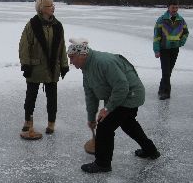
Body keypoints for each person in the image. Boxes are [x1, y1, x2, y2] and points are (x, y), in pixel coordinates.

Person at [67, 39, 160, 173]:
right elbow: (90, 95)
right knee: (129, 124)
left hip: (130, 95)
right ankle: (150, 150)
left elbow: (122, 86)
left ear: (82, 55)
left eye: (72, 58)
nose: (71, 62)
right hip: (119, 96)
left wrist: (107, 108)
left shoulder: (104, 62)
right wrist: (91, 117)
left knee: (105, 126)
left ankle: (102, 163)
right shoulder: (86, 68)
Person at [19, 0, 69, 135]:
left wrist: (64, 65)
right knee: (31, 96)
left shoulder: (58, 26)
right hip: (35, 67)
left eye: (53, 5)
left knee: (52, 97)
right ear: (41, 9)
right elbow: (24, 46)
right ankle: (28, 121)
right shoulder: (32, 24)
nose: (53, 7)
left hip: (53, 68)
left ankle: (51, 123)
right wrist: (26, 65)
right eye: (49, 6)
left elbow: (62, 47)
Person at [153, 0, 189, 100]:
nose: (175, 9)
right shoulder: (161, 20)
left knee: (168, 71)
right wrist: (156, 50)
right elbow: (156, 36)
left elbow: (186, 32)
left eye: (176, 7)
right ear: (168, 7)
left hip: (175, 49)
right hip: (164, 49)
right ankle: (166, 92)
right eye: (173, 7)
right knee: (166, 71)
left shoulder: (181, 20)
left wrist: (181, 42)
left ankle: (161, 88)